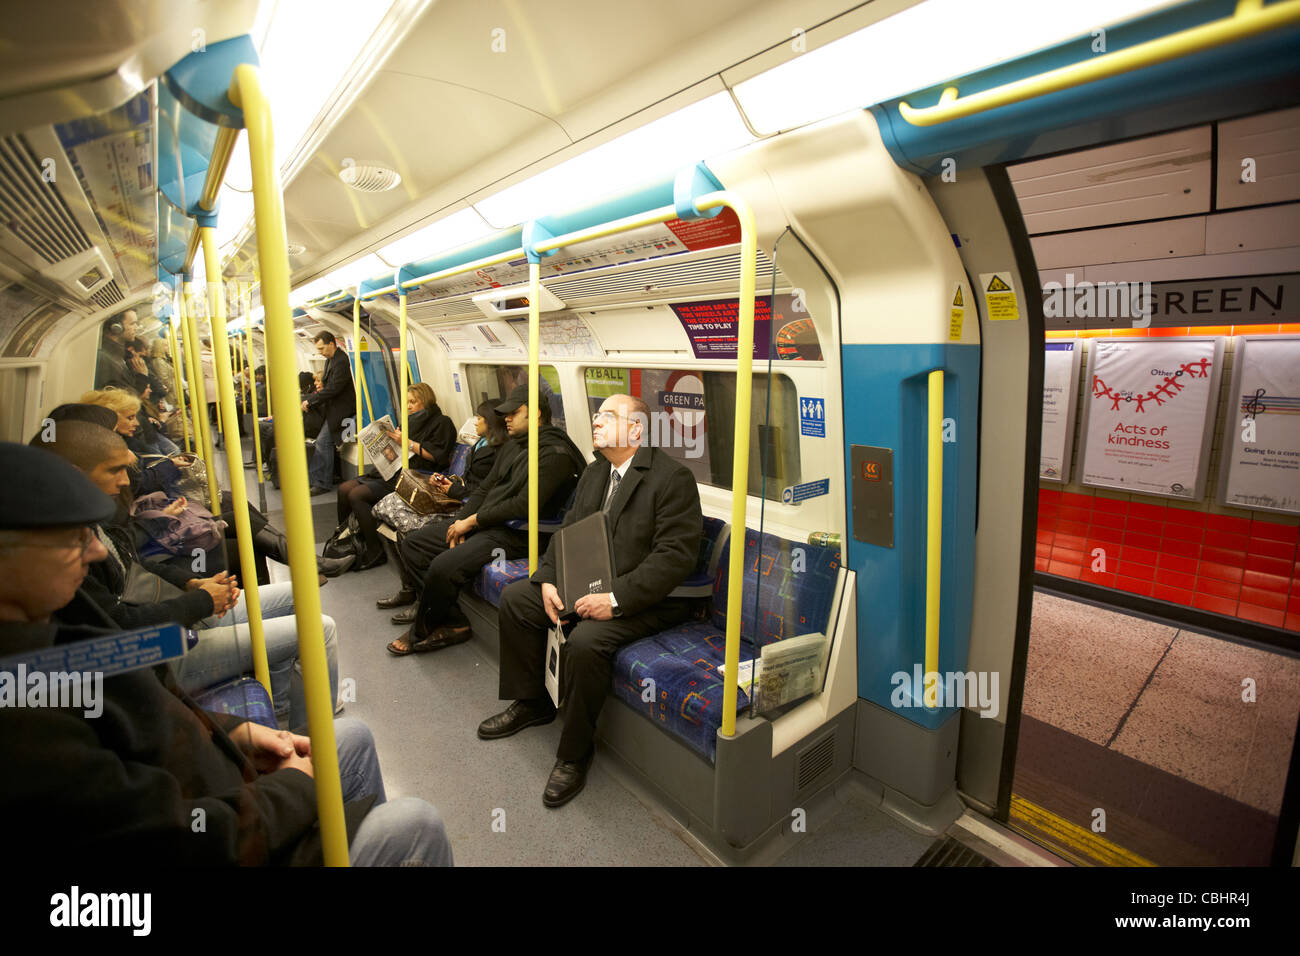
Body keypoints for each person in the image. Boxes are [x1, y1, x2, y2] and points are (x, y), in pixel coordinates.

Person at [0, 440, 453, 866]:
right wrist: (298, 785)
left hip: (219, 773)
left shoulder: (60, 620)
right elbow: (178, 837)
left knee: (350, 735)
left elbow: (157, 698)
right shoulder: (27, 718)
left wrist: (235, 733)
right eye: (76, 538)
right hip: (230, 831)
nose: (95, 548)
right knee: (415, 824)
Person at [34, 420, 340, 728]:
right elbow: (124, 625)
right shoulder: (64, 555)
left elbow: (136, 567)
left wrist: (192, 582)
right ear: (75, 474)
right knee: (319, 629)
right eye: (115, 471)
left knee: (296, 592)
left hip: (168, 613)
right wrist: (203, 601)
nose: (126, 481)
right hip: (159, 654)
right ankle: (309, 741)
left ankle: (284, 702)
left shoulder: (90, 522)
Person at [478, 393, 702, 808]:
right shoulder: (597, 472)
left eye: (607, 417)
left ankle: (574, 754)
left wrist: (614, 600)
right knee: (517, 599)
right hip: (590, 583)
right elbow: (567, 530)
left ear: (636, 429)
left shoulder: (672, 479)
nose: (596, 422)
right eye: (596, 416)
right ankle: (533, 701)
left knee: (585, 642)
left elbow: (674, 559)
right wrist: (547, 578)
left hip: (649, 599)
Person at [387, 382, 585, 655]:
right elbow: (486, 489)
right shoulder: (515, 446)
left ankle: (422, 630)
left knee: (444, 565)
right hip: (493, 520)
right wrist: (461, 520)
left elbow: (523, 504)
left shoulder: (554, 454)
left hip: (523, 532)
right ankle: (453, 621)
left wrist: (474, 522)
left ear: (536, 414)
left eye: (514, 413)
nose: (506, 418)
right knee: (414, 544)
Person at [377, 399, 506, 612]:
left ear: (491, 422)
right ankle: (411, 589)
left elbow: (484, 491)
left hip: (465, 505)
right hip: (460, 496)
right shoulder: (481, 443)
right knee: (391, 510)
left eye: (480, 418)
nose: (475, 422)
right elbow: (469, 479)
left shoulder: (499, 452)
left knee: (407, 533)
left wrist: (454, 490)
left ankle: (420, 598)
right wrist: (449, 482)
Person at [337, 382, 456, 571]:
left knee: (356, 495)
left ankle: (375, 550)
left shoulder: (442, 423)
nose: (408, 406)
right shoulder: (408, 421)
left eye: (413, 402)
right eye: (406, 402)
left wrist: (407, 443)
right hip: (394, 470)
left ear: (426, 401)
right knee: (344, 489)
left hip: (415, 475)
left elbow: (438, 456)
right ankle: (349, 540)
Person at [303, 330, 354, 496]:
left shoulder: (341, 361)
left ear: (332, 344)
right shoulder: (331, 360)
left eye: (322, 348)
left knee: (323, 442)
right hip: (333, 408)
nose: (320, 352)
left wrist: (312, 401)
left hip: (343, 410)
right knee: (323, 441)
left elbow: (334, 388)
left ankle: (323, 482)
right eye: (318, 349)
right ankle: (319, 478)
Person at [80, 386, 179, 457]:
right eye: (130, 418)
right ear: (109, 417)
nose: (137, 423)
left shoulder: (127, 442)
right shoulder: (112, 451)